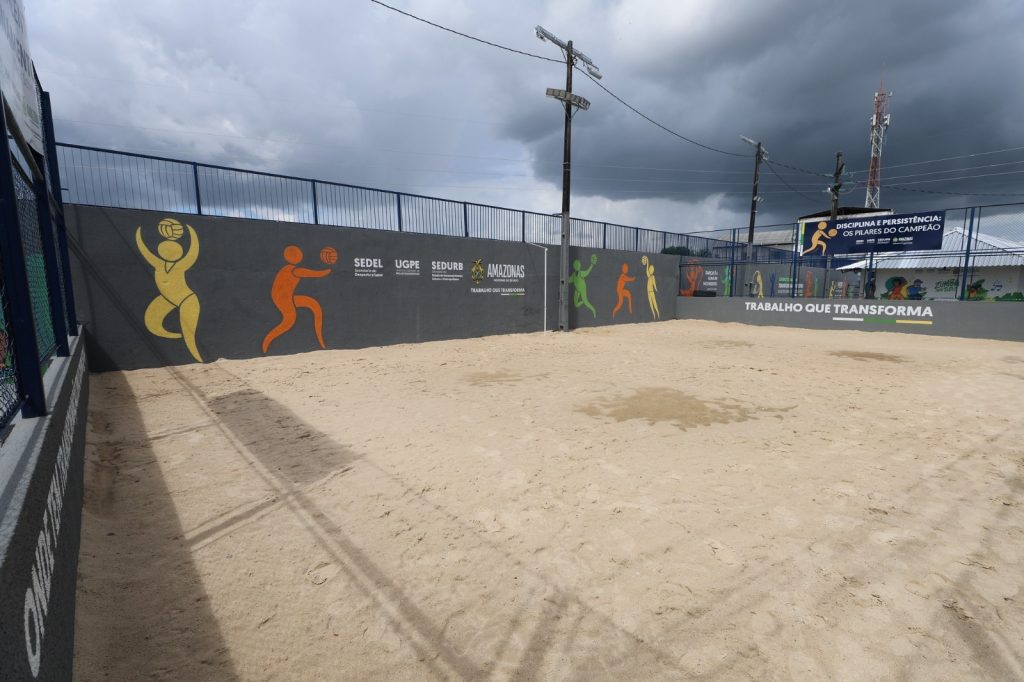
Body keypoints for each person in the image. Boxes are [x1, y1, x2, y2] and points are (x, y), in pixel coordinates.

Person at [135, 222, 202, 362]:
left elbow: (193, 253)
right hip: (167, 298)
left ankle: (197, 355)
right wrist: (139, 238)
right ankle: (173, 335)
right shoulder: (158, 264)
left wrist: (193, 236)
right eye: (165, 249)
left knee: (189, 334)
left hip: (186, 299)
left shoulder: (182, 264)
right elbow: (146, 252)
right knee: (151, 323)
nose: (168, 252)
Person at [262, 245, 332, 353]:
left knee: (314, 305)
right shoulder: (294, 270)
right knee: (289, 321)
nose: (300, 255)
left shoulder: (286, 269)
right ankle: (266, 343)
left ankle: (321, 340)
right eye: (297, 254)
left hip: (287, 297)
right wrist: (327, 271)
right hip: (283, 299)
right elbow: (312, 274)